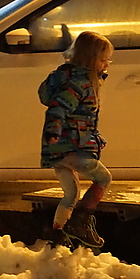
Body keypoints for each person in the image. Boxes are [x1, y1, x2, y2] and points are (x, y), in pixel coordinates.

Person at [38, 30, 113, 248]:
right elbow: (58, 107)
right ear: (91, 59)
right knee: (103, 178)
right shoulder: (79, 84)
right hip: (71, 146)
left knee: (71, 194)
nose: (106, 65)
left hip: (57, 152)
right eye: (103, 60)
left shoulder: (66, 77)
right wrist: (54, 132)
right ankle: (80, 223)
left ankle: (57, 234)